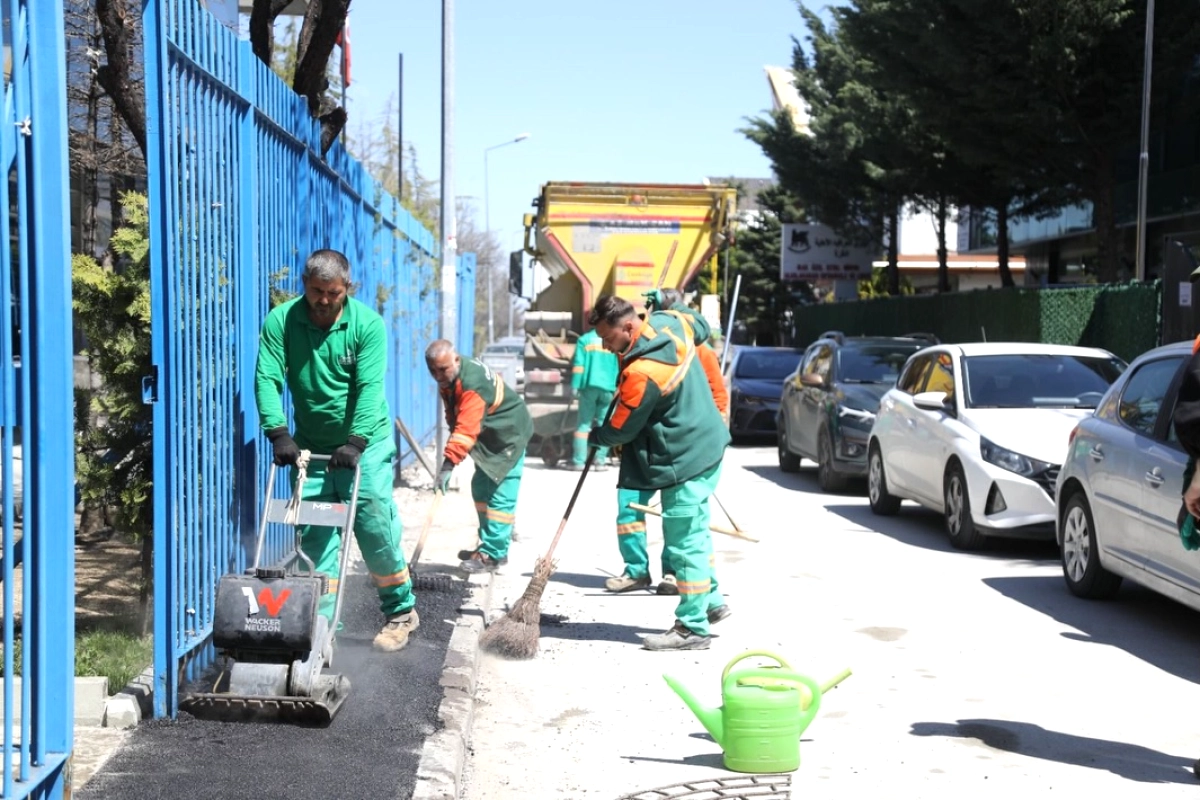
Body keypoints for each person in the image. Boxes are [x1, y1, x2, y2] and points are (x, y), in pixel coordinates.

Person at [254, 249, 418, 653]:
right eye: (317, 291)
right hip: (312, 447)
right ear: (304, 286)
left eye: (334, 293)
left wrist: (356, 441)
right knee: (314, 539)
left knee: (373, 524)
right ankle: (323, 626)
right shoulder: (282, 321)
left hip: (365, 443)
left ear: (348, 288)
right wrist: (278, 433)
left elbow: (369, 387)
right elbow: (267, 377)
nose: (324, 300)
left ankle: (400, 612)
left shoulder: (367, 325)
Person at [588, 292, 731, 651]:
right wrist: (671, 301)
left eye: (608, 337)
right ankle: (711, 602)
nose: (605, 347)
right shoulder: (671, 323)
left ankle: (692, 628)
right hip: (708, 446)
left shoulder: (643, 372)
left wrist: (598, 436)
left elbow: (622, 428)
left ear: (628, 326)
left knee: (684, 545)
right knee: (696, 534)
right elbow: (698, 322)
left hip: (684, 458)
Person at [425, 340, 534, 573]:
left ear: (456, 360)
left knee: (500, 495)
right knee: (481, 489)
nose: (437, 375)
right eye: (432, 370)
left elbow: (466, 428)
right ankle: (490, 546)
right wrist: (455, 442)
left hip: (509, 435)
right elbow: (455, 415)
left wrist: (448, 464)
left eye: (442, 369)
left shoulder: (472, 384)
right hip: (490, 436)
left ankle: (492, 554)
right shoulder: (451, 377)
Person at [569, 322, 619, 471]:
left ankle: (579, 462)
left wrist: (575, 386)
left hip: (589, 387)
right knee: (604, 425)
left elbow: (579, 366)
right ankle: (600, 462)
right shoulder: (613, 340)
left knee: (583, 425)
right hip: (609, 387)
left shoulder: (584, 340)